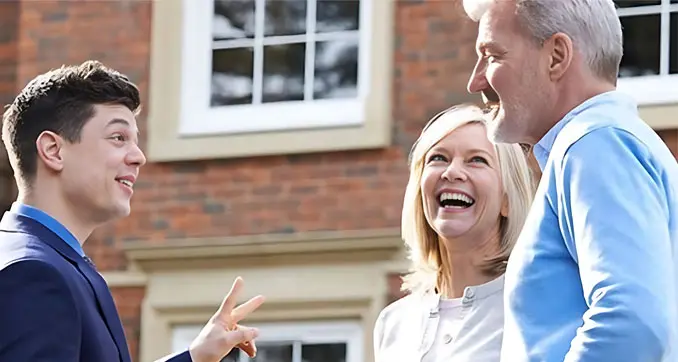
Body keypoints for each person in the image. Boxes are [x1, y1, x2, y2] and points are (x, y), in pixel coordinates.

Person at [0, 60, 264, 362]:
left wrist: (195, 357)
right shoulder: (34, 274)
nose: (138, 157)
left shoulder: (46, 262)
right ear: (53, 150)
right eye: (118, 138)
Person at [463, 0, 678, 361]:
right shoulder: (607, 142)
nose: (475, 81)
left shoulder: (595, 143)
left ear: (556, 56)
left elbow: (634, 323)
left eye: (492, 55)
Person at [373, 104, 534, 362]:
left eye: (477, 160)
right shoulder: (392, 323)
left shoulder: (534, 309)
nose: (452, 172)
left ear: (507, 200)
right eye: (439, 158)